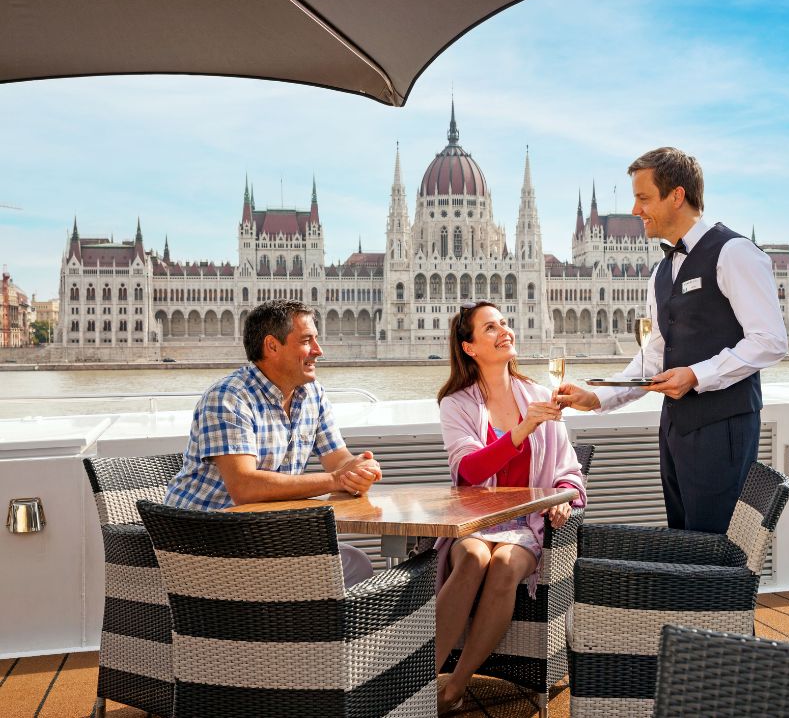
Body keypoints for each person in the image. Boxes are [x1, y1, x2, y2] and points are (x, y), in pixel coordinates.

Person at [557, 147, 787, 534]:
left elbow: (770, 340)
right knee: (685, 542)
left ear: (677, 196)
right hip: (675, 430)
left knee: (716, 547)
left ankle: (720, 598)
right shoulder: (661, 272)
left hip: (724, 428)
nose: (635, 209)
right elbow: (656, 355)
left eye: (644, 198)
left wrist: (698, 375)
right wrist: (598, 396)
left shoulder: (733, 253)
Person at [434, 300, 587, 712]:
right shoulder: (457, 404)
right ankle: (421, 676)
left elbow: (569, 468)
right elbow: (468, 470)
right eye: (490, 328)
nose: (504, 331)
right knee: (472, 561)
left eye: (504, 323)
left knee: (503, 566)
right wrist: (522, 429)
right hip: (477, 518)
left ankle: (456, 685)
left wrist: (563, 499)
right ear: (469, 348)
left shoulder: (539, 395)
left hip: (527, 522)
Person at [164, 299, 381, 586]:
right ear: (272, 346)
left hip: (261, 536)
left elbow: (337, 458)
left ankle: (296, 630)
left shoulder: (312, 394)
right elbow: (245, 487)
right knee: (336, 572)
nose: (319, 350)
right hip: (202, 544)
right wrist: (335, 480)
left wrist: (358, 469)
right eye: (307, 341)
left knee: (354, 564)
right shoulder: (229, 397)